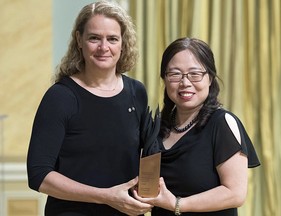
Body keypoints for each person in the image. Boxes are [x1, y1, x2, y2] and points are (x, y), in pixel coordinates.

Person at [26, 1, 154, 215]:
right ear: (79, 40)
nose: (104, 47)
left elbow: (149, 154)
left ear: (123, 43)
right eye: (94, 38)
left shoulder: (136, 93)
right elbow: (39, 175)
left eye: (112, 39)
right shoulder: (60, 97)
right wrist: (105, 197)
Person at [134, 37, 260, 215]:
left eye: (195, 74)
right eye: (175, 74)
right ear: (164, 78)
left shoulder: (222, 123)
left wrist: (176, 204)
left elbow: (235, 193)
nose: (185, 83)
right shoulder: (157, 126)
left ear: (210, 78)